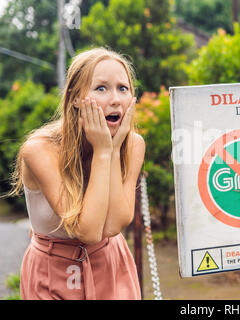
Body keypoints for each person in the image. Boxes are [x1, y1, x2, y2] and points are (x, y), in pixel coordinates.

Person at [8, 47, 145, 300]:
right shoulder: (40, 150)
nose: (114, 99)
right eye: (101, 88)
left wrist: (113, 151)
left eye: (122, 88)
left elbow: (113, 226)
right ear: (74, 98)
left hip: (109, 263)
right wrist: (104, 151)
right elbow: (89, 231)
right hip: (52, 270)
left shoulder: (133, 145)